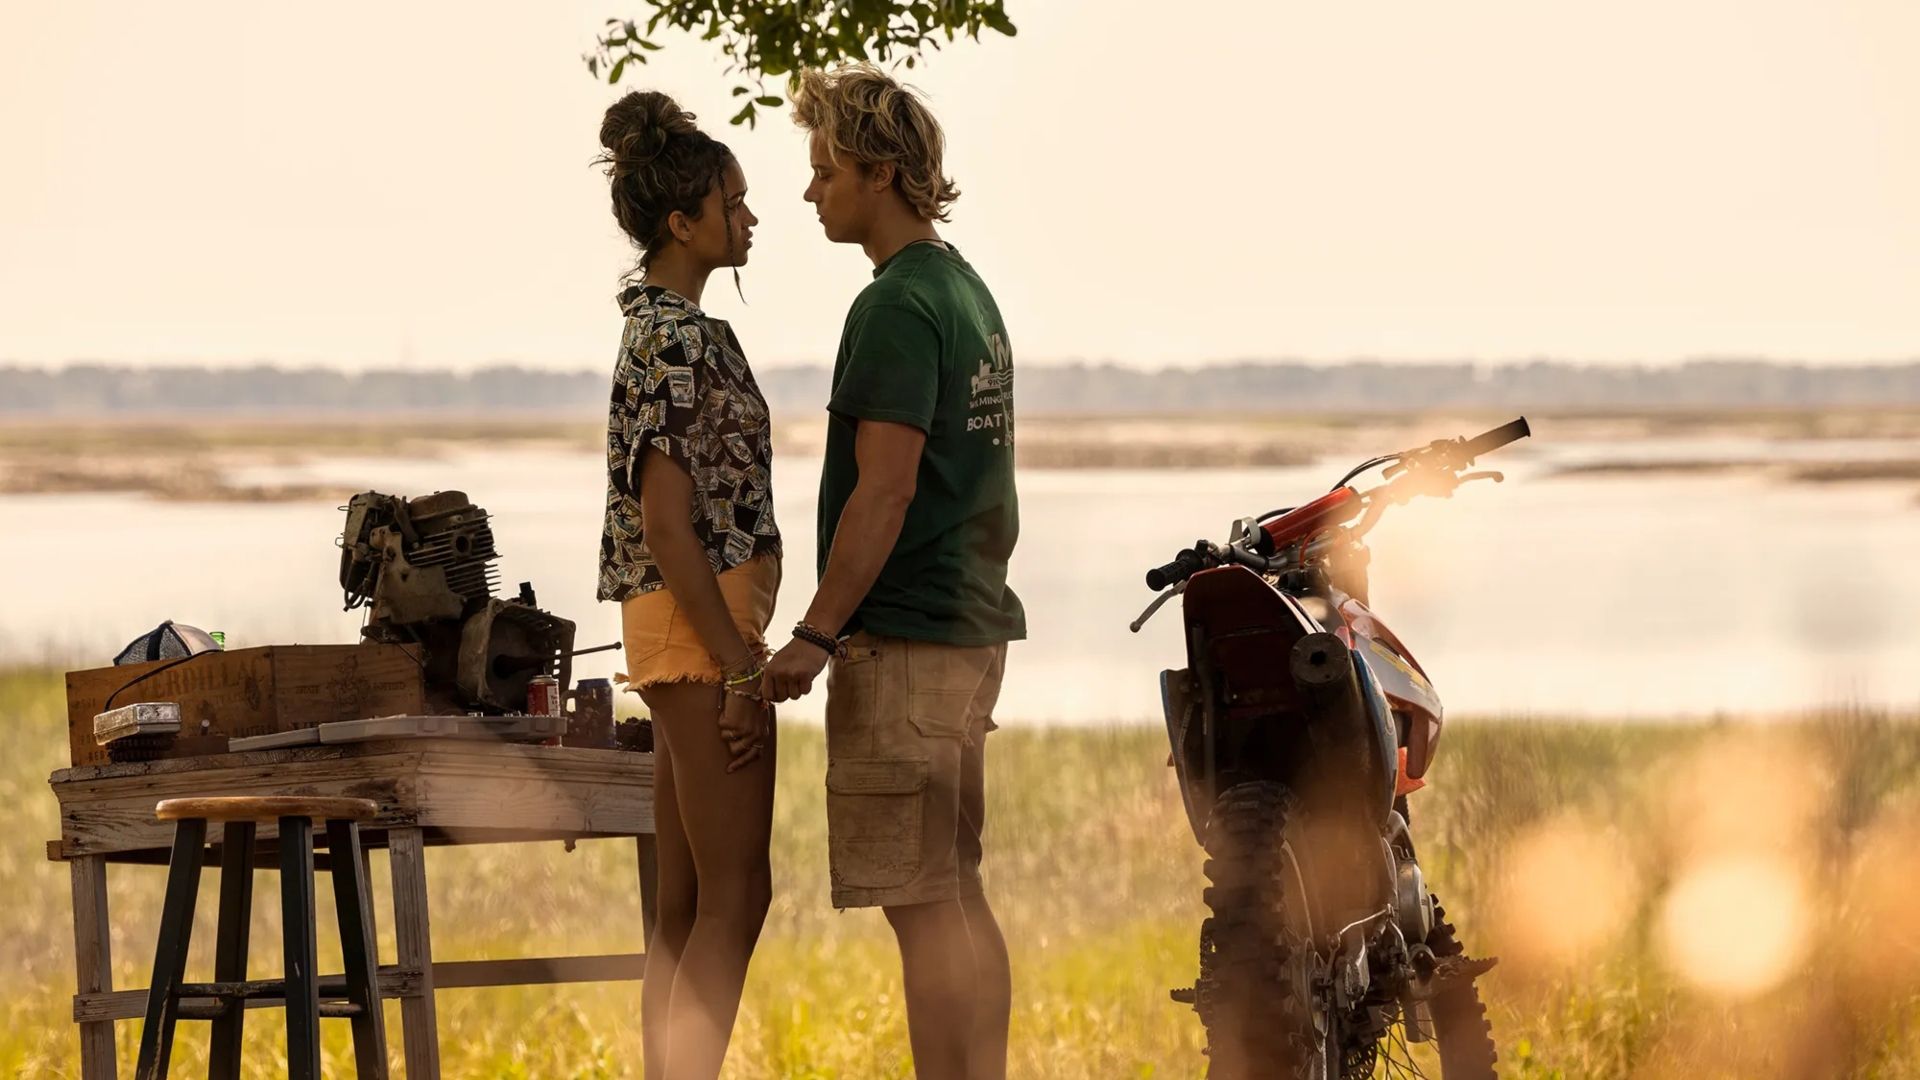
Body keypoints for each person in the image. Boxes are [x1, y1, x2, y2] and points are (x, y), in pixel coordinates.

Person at [762, 63, 1025, 1080]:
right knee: (958, 891)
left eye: (824, 170)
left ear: (878, 172)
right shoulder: (966, 290)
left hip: (908, 641)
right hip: (966, 632)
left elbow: (885, 489)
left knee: (922, 908)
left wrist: (814, 635)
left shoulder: (898, 307)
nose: (811, 191)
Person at [594, 89, 780, 1080]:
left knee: (681, 903)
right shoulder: (675, 338)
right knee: (736, 895)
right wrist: (743, 666)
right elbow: (668, 524)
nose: (750, 217)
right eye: (734, 203)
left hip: (681, 632)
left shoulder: (667, 326)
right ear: (683, 223)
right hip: (700, 636)